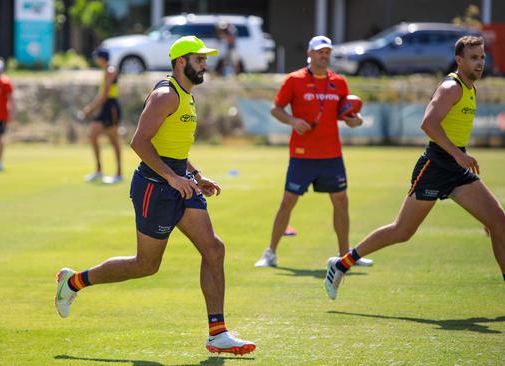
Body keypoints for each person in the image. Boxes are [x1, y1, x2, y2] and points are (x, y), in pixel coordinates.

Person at [55, 36, 256, 355]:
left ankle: (217, 333)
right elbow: (139, 142)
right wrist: (172, 178)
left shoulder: (187, 95)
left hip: (180, 184)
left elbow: (173, 149)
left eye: (205, 59)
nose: (205, 64)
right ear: (180, 62)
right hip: (154, 188)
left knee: (214, 249)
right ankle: (73, 282)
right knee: (146, 265)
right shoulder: (165, 95)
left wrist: (195, 175)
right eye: (199, 59)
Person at [324, 36, 505, 300]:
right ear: (459, 60)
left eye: (482, 57)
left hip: (456, 167)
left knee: (498, 221)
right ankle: (342, 263)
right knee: (402, 231)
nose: (479, 63)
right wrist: (456, 154)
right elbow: (428, 124)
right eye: (474, 58)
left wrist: (459, 156)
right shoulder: (451, 87)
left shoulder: (470, 89)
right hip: (435, 165)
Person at [254, 36, 373, 268]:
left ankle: (345, 256)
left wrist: (355, 121)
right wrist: (292, 120)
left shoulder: (339, 82)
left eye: (327, 52)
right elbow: (275, 109)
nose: (324, 56)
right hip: (302, 154)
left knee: (341, 201)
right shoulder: (294, 80)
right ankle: (270, 253)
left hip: (331, 154)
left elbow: (347, 117)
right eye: (319, 52)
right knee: (288, 201)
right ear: (309, 53)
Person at [79, 48, 123, 184]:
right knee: (92, 134)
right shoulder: (106, 71)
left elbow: (105, 95)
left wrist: (90, 109)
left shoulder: (110, 71)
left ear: (102, 58)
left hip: (111, 107)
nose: (95, 59)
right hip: (106, 106)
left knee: (113, 139)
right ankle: (99, 170)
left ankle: (119, 174)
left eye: (97, 57)